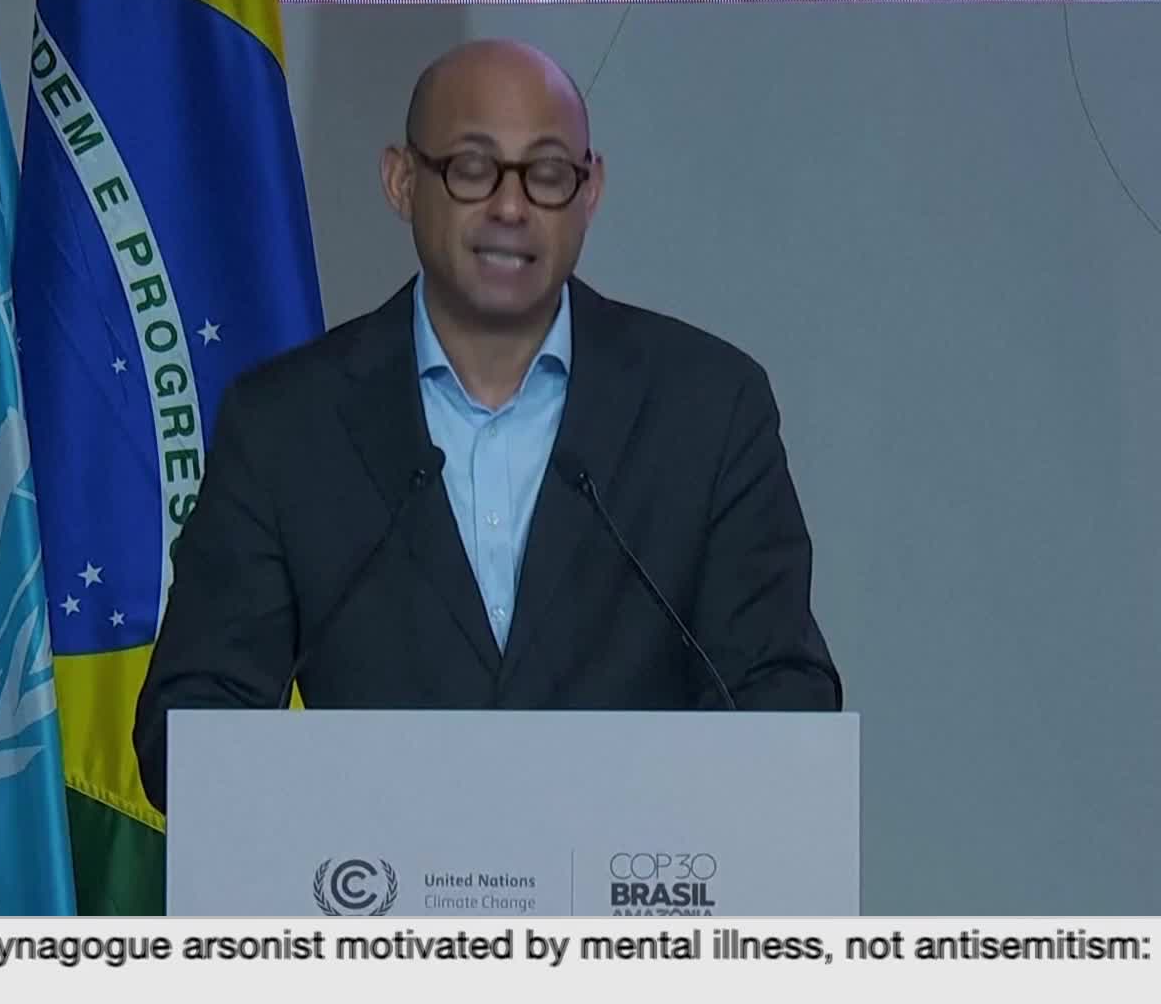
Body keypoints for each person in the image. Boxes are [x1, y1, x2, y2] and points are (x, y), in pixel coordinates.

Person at [133, 39, 840, 813]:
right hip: (372, 877)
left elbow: (782, 697)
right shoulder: (285, 425)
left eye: (548, 174)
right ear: (402, 181)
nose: (511, 208)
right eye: (472, 169)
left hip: (634, 875)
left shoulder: (708, 406)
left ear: (591, 190)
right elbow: (188, 730)